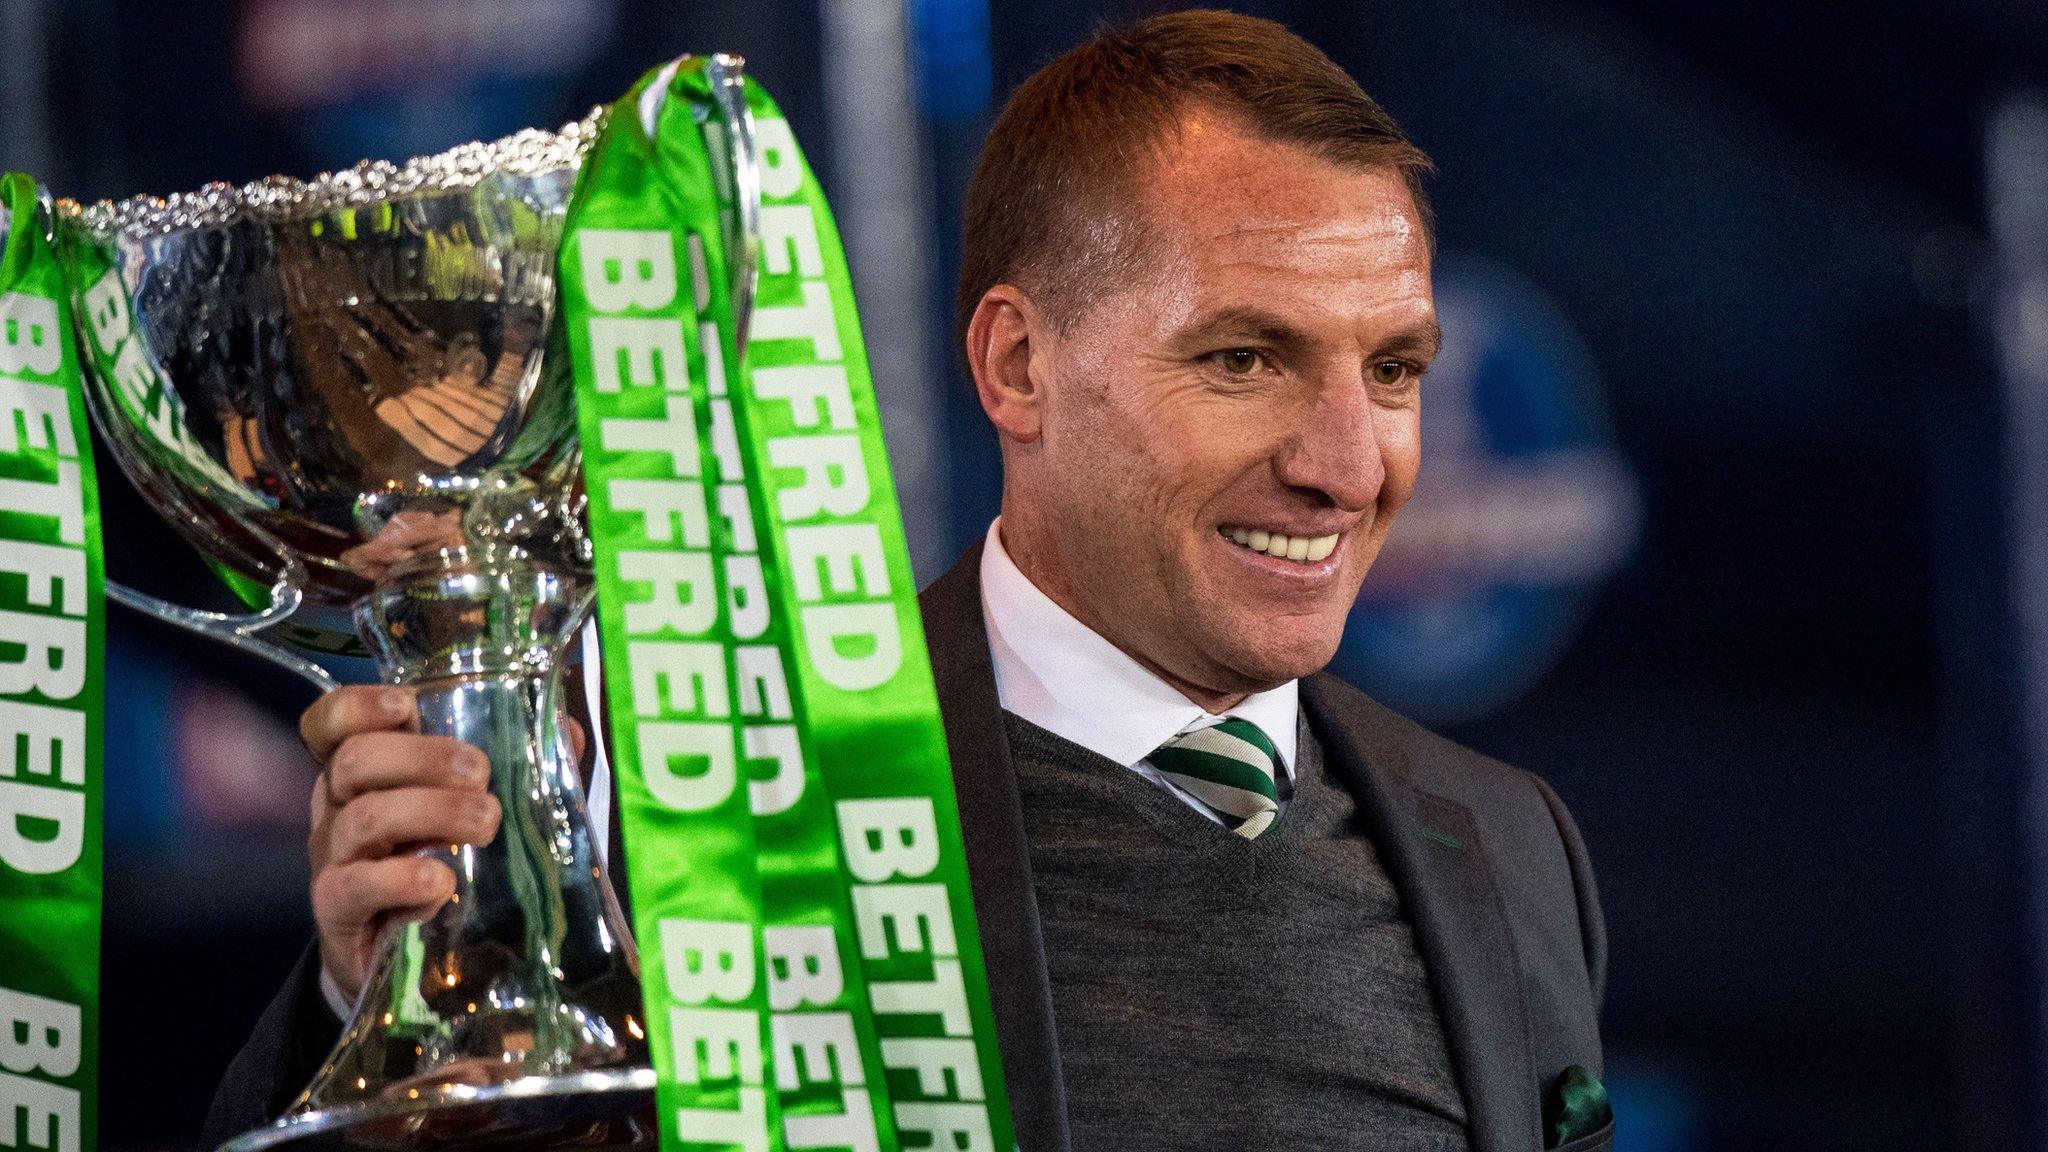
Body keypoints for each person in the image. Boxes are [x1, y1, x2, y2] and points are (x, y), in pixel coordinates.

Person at [207, 10, 1607, 1151]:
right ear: (1017, 367)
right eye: (1245, 360)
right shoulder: (686, 824)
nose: (1349, 466)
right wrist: (375, 997)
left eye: (1395, 371)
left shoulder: (1508, 845)